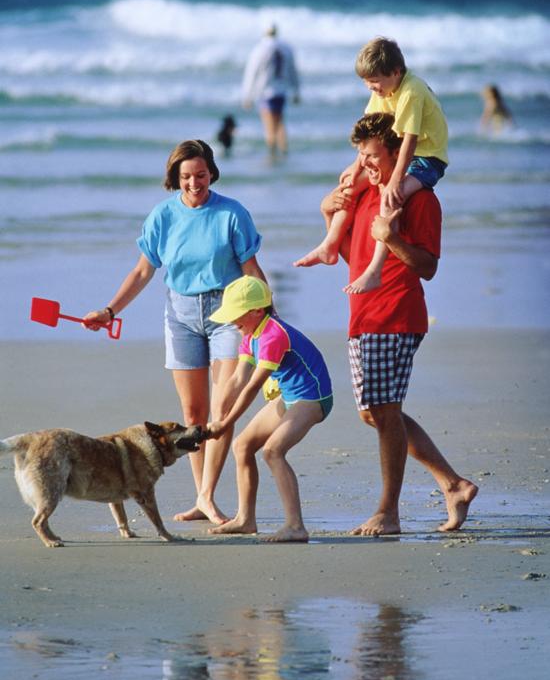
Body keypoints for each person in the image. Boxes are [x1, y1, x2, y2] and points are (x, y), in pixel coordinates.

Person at [83, 140, 268, 526]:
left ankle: (206, 496)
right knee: (193, 413)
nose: (194, 183)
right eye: (186, 176)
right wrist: (109, 310)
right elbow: (142, 272)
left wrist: (268, 317)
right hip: (180, 314)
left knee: (224, 407)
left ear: (211, 173)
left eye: (200, 175)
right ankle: (202, 498)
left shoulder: (231, 213)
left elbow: (251, 270)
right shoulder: (163, 216)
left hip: (227, 312)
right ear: (175, 177)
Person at [318, 114, 477, 536]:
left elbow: (427, 266)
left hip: (396, 313)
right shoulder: (366, 191)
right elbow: (349, 256)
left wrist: (392, 238)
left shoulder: (419, 200)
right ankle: (453, 484)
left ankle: (388, 512)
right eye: (361, 156)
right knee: (375, 413)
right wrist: (327, 214)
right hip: (362, 313)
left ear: (396, 153)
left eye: (372, 156)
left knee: (384, 411)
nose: (365, 164)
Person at [295, 37, 448, 296]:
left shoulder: (411, 91)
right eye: (366, 81)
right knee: (351, 185)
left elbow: (409, 140)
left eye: (375, 80)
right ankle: (330, 245)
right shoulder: (382, 91)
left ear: (396, 72)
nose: (370, 86)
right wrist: (356, 169)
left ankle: (375, 270)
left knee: (391, 198)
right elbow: (367, 133)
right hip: (402, 153)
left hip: (426, 159)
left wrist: (396, 180)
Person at [206, 275, 333, 542]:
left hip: (312, 398)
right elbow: (238, 380)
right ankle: (245, 519)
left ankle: (295, 526)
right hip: (288, 397)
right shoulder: (249, 334)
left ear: (256, 311)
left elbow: (252, 387)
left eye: (236, 315)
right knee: (242, 445)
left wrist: (226, 423)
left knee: (273, 450)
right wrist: (217, 417)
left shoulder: (273, 335)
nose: (231, 321)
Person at [242, 24, 300, 158]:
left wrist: (247, 95)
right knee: (279, 124)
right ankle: (284, 154)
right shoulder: (286, 48)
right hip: (281, 91)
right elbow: (293, 72)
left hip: (266, 93)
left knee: (269, 128)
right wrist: (296, 91)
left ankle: (272, 157)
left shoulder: (260, 49)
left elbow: (251, 73)